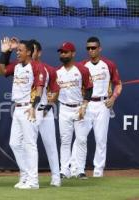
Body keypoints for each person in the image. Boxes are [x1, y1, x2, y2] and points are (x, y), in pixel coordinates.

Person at [0, 38, 46, 189]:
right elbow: (1, 71)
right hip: (18, 108)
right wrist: (5, 53)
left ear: (29, 52)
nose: (17, 52)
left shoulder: (36, 66)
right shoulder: (17, 66)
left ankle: (33, 181)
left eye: (20, 50)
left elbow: (39, 88)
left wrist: (34, 106)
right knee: (14, 143)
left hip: (29, 108)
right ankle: (25, 176)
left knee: (30, 144)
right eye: (17, 50)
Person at [80, 37, 122, 177]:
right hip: (86, 103)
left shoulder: (109, 64)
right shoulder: (82, 65)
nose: (90, 50)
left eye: (93, 48)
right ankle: (76, 169)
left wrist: (113, 97)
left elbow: (118, 84)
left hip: (103, 104)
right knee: (80, 137)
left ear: (100, 49)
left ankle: (98, 172)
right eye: (88, 48)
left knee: (101, 139)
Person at [55, 42, 93, 180]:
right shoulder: (57, 72)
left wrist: (84, 105)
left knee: (82, 139)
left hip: (79, 107)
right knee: (65, 141)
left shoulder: (82, 70)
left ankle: (80, 170)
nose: (63, 54)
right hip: (64, 108)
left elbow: (89, 88)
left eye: (66, 52)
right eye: (61, 52)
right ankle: (64, 170)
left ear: (73, 53)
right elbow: (53, 91)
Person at [29, 39, 61, 187]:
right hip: (28, 110)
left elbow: (55, 90)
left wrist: (47, 108)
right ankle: (29, 178)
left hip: (43, 109)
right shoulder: (22, 68)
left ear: (39, 52)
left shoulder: (48, 69)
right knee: (27, 144)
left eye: (33, 49)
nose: (31, 52)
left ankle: (56, 177)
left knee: (50, 144)